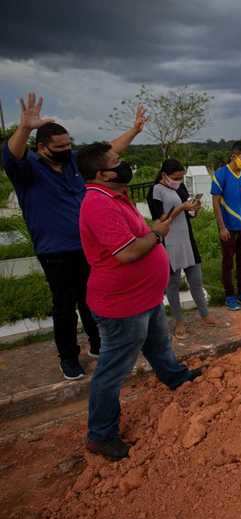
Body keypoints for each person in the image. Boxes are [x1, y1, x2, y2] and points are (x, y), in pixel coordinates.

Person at [1, 92, 147, 380]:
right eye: (60, 146)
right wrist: (25, 128)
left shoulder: (74, 163)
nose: (67, 148)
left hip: (89, 247)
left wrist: (134, 130)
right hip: (55, 250)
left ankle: (97, 345)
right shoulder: (27, 168)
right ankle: (68, 357)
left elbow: (108, 151)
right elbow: (11, 154)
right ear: (42, 148)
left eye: (69, 144)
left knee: (92, 299)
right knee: (64, 306)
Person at [77, 142, 201, 460]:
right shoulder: (98, 204)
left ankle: (176, 378)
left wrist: (152, 233)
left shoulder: (115, 197)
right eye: (117, 161)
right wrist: (157, 234)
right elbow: (129, 252)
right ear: (101, 173)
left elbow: (134, 237)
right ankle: (101, 434)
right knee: (113, 369)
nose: (124, 164)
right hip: (122, 306)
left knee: (159, 346)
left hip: (145, 297)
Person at [147, 159, 215, 339]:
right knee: (173, 283)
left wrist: (194, 209)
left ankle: (204, 314)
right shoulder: (156, 191)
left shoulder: (181, 188)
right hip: (169, 241)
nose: (178, 181)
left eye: (180, 178)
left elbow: (188, 214)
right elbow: (161, 220)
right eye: (175, 178)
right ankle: (179, 321)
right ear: (164, 175)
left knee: (196, 280)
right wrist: (181, 208)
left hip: (187, 240)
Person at [211, 140, 241, 311]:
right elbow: (215, 202)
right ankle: (229, 295)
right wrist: (222, 227)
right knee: (228, 262)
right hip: (228, 228)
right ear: (234, 156)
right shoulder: (221, 174)